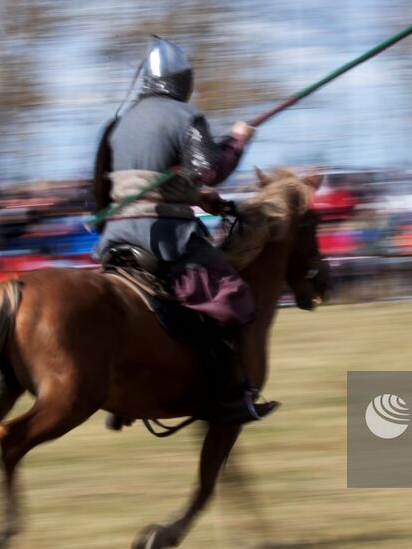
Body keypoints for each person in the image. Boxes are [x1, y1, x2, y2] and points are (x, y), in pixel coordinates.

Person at [91, 36, 275, 425]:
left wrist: (199, 198)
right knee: (234, 297)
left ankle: (129, 391)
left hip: (116, 237)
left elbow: (163, 179)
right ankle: (231, 395)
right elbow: (211, 170)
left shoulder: (121, 123)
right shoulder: (184, 117)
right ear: (181, 80)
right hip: (165, 238)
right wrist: (238, 139)